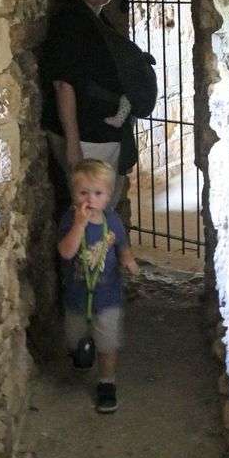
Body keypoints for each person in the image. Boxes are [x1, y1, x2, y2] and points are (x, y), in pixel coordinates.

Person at [41, 0, 136, 207]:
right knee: (90, 212)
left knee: (100, 211)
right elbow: (63, 84)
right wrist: (73, 145)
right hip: (86, 135)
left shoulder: (96, 18)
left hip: (98, 133)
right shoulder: (70, 23)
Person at [58, 158, 139, 413]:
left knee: (108, 343)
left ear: (108, 196)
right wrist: (79, 226)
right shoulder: (69, 221)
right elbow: (66, 252)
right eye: (83, 193)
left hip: (107, 297)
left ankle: (107, 383)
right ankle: (81, 350)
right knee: (75, 338)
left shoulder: (112, 221)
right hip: (77, 297)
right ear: (74, 194)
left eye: (98, 193)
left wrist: (128, 260)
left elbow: (122, 245)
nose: (90, 199)